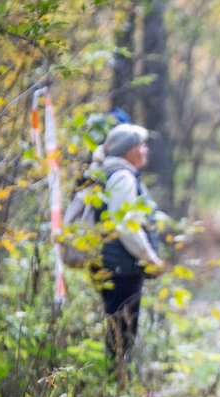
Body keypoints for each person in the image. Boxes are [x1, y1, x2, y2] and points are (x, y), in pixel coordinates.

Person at [92, 123, 165, 372]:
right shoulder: (122, 176)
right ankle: (117, 385)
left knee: (119, 327)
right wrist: (149, 257)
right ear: (128, 150)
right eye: (141, 145)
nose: (145, 150)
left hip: (112, 264)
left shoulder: (109, 172)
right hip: (120, 267)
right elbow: (125, 226)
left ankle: (117, 385)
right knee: (122, 331)